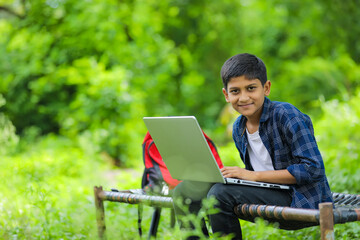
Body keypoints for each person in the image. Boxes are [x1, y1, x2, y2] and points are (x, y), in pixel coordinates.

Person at [172, 53, 333, 240]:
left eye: (251, 88)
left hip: (301, 201)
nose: (243, 97)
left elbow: (313, 169)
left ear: (266, 88)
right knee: (184, 191)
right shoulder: (238, 127)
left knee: (219, 194)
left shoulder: (287, 115)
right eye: (235, 91)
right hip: (269, 192)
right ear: (226, 94)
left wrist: (252, 176)